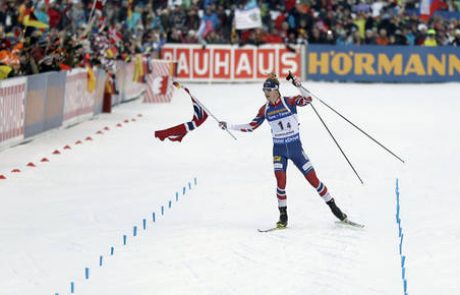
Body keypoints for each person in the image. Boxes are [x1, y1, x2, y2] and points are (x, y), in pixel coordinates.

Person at [218, 73, 348, 228]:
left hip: (296, 149)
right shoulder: (264, 109)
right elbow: (251, 126)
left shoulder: (289, 102)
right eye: (264, 90)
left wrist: (300, 87)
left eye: (268, 90)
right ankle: (283, 216)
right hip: (279, 151)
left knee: (314, 180)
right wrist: (230, 125)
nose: (266, 94)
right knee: (280, 182)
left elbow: (308, 100)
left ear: (276, 90)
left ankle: (335, 209)